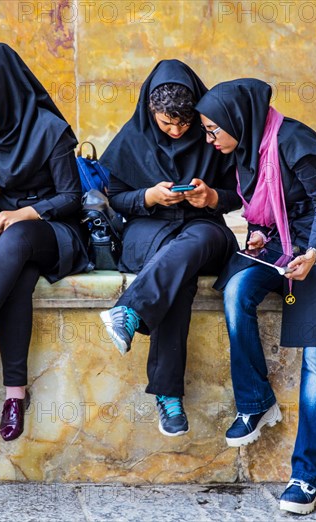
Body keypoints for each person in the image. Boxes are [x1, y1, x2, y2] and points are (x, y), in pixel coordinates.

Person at [196, 79, 316, 515]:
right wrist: (258, 233)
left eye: (213, 129)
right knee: (236, 289)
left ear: (237, 120)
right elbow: (264, 201)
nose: (209, 138)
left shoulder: (294, 140)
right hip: (283, 244)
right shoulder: (247, 149)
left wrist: (312, 254)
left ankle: (308, 477)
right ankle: (255, 400)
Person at [0, 43, 89, 442]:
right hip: (5, 235)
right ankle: (14, 396)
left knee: (20, 236)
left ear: (1, 93)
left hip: (55, 230)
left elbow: (71, 197)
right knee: (17, 283)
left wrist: (23, 213)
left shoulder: (49, 130)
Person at [99, 60, 241, 437]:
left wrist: (211, 196)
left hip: (201, 227)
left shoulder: (212, 134)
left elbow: (237, 195)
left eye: (185, 122)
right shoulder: (132, 138)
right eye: (167, 124)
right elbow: (116, 199)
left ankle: (129, 310)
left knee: (200, 243)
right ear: (151, 110)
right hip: (149, 230)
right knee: (180, 274)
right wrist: (149, 195)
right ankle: (168, 394)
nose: (177, 131)